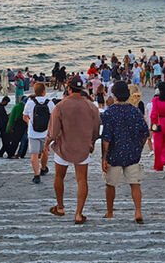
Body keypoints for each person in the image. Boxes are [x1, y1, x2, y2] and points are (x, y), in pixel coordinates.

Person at [45, 75, 100, 224]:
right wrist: (92, 142)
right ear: (82, 89)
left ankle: (61, 207)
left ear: (69, 88)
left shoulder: (60, 106)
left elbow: (54, 132)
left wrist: (48, 142)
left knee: (59, 176)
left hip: (63, 146)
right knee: (82, 180)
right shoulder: (92, 107)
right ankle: (78, 214)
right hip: (83, 147)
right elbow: (96, 130)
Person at [100, 81, 150, 223]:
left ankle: (110, 212)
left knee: (110, 184)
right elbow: (145, 133)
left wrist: (104, 158)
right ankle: (138, 211)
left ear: (114, 95)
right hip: (132, 153)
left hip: (114, 154)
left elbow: (106, 138)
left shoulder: (109, 113)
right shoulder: (135, 112)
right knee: (135, 184)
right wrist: (139, 147)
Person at [23, 82, 55, 184]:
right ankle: (43, 168)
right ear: (44, 92)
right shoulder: (49, 103)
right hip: (46, 133)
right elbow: (54, 118)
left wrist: (30, 123)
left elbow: (24, 117)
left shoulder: (30, 102)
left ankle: (36, 175)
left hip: (33, 133)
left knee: (34, 154)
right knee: (45, 151)